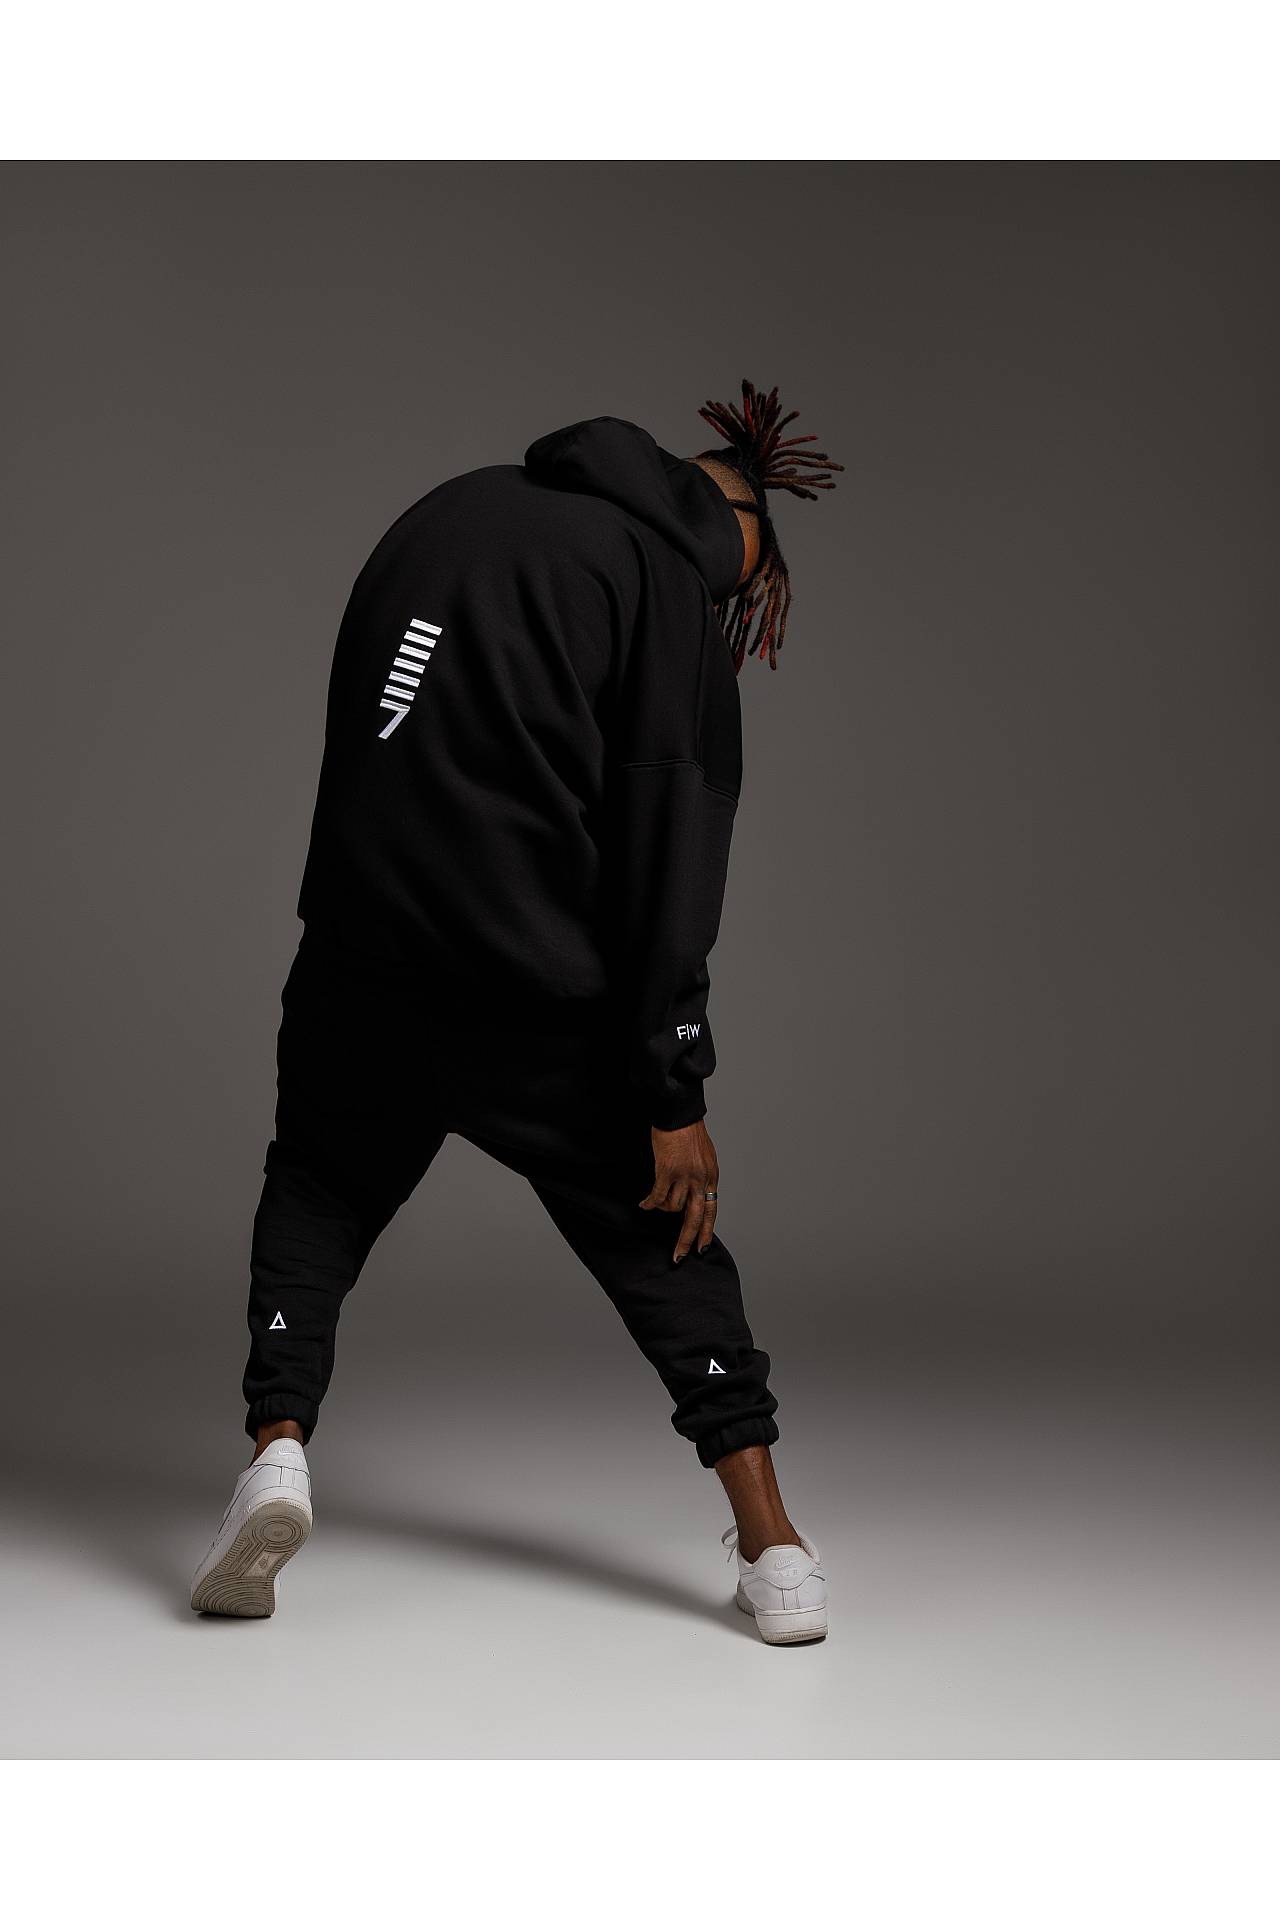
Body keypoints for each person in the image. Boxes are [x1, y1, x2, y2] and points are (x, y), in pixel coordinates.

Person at [190, 381, 841, 1644]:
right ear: (729, 516)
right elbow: (671, 861)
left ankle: (276, 1454)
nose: (740, 597)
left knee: (315, 1194)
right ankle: (773, 1550)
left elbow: (374, 722)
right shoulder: (662, 587)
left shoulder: (451, 510)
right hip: (532, 994)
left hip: (359, 960)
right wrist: (673, 1085)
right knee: (664, 1238)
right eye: (753, 570)